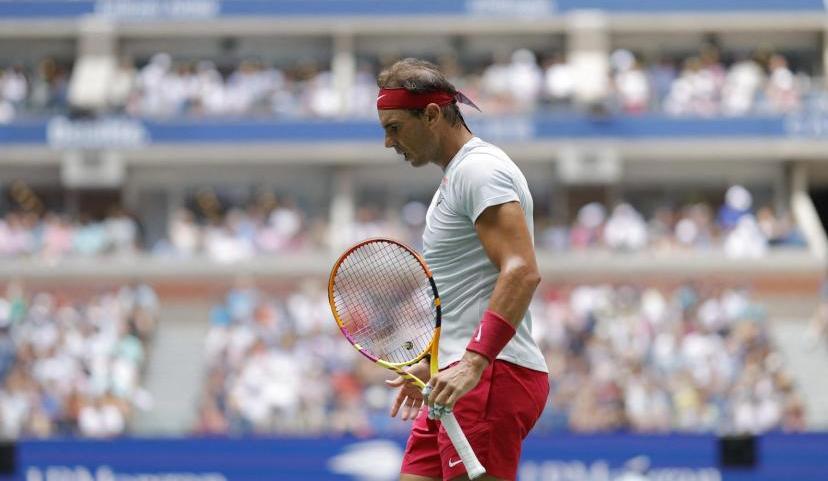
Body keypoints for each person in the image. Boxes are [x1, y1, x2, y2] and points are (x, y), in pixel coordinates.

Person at [377, 58, 549, 481]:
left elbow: (522, 271)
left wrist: (474, 361)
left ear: (432, 115)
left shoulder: (480, 170)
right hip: (451, 378)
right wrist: (435, 364)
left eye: (395, 127)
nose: (388, 142)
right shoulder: (456, 178)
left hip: (489, 375)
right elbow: (468, 292)